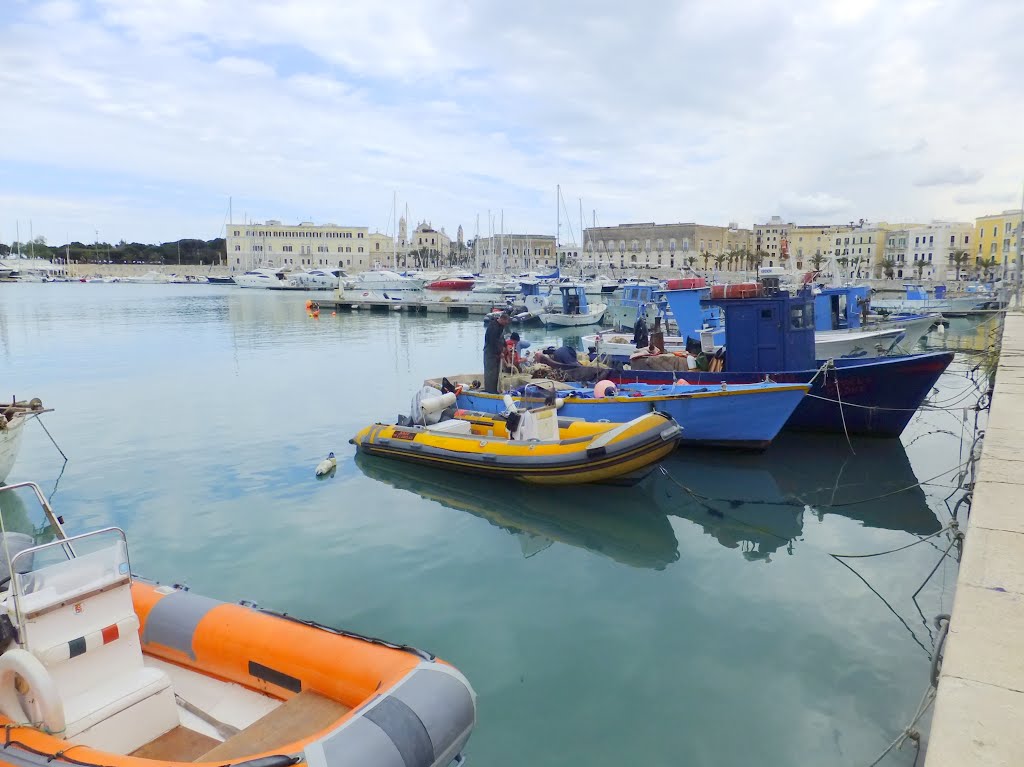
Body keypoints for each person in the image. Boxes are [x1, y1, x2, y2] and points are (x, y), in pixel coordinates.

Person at [483, 311, 511, 393]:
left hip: (496, 353)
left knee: (496, 373)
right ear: (502, 319)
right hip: (490, 353)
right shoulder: (493, 327)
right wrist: (500, 352)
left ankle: (496, 389)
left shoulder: (501, 326)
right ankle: (490, 391)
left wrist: (505, 345)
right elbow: (492, 342)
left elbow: (501, 338)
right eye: (505, 322)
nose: (506, 324)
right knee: (490, 373)